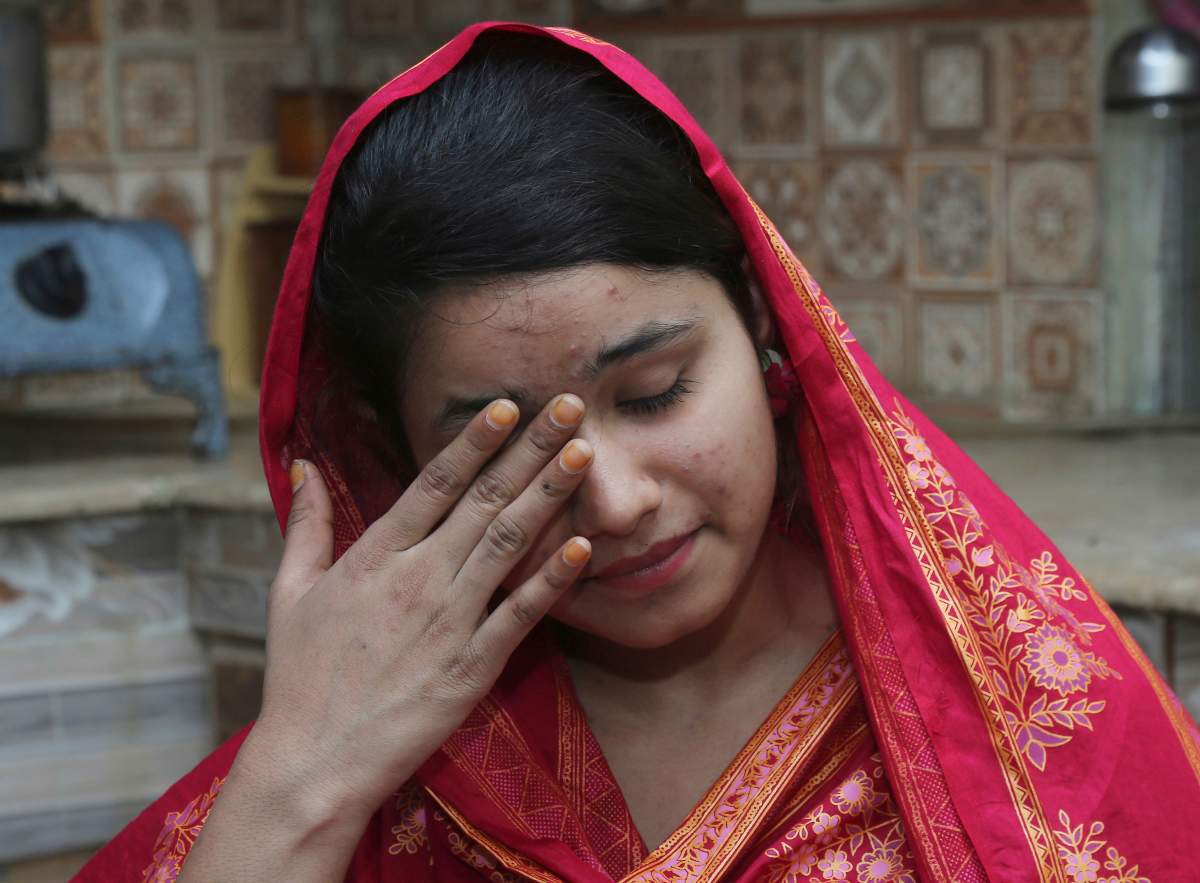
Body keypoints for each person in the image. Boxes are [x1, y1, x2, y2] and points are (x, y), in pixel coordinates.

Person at [76, 22, 1200, 883]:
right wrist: (301, 782)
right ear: (394, 455)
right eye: (502, 446)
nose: (611, 499)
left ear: (768, 320)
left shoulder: (1010, 706)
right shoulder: (367, 742)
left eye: (656, 392)